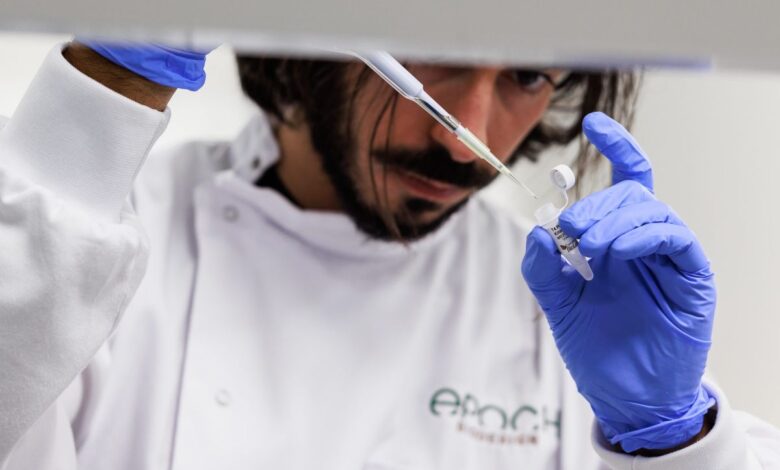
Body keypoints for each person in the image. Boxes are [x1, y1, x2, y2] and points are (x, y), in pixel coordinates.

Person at [0, 41, 777, 470]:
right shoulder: (89, 236)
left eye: (528, 75)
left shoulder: (569, 307)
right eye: (430, 51)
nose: (460, 134)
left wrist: (675, 442)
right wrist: (102, 88)